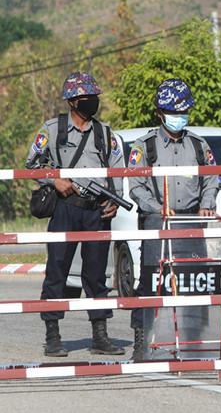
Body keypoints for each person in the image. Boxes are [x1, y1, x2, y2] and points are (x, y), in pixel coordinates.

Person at [26, 72, 125, 357]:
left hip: (97, 211)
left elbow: (116, 169)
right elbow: (31, 165)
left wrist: (115, 200)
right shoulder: (53, 129)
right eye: (86, 98)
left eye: (95, 97)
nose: (92, 102)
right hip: (66, 209)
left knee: (96, 275)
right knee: (57, 271)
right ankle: (53, 335)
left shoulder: (106, 133)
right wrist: (53, 180)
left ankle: (100, 335)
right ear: (72, 101)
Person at [127, 79, 219, 360]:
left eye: (184, 111)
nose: (180, 117)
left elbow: (212, 178)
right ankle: (142, 345)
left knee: (193, 282)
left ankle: (194, 345)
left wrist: (207, 205)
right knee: (150, 282)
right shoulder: (145, 147)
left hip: (191, 223)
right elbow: (134, 184)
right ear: (160, 112)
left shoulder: (199, 145)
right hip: (157, 222)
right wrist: (156, 207)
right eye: (174, 111)